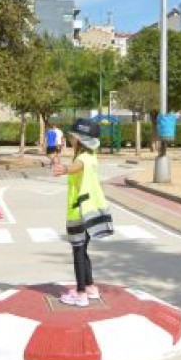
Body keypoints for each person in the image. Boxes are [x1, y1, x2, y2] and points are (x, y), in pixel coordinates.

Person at [52, 118, 114, 307]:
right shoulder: (91, 156)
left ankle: (80, 294)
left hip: (79, 211)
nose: (71, 139)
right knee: (83, 249)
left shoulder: (82, 159)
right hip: (89, 209)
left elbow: (77, 167)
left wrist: (64, 169)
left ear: (80, 139)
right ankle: (89, 286)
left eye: (73, 136)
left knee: (78, 251)